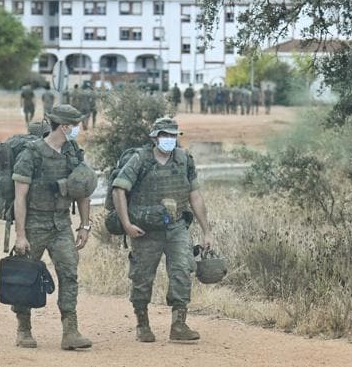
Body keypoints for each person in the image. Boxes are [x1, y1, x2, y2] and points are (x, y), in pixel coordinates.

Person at [111, 117, 214, 343]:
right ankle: (142, 323)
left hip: (176, 227)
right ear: (154, 137)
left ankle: (178, 325)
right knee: (142, 277)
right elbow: (118, 190)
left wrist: (206, 231)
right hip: (146, 230)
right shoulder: (140, 160)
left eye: (172, 135)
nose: (169, 139)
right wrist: (127, 224)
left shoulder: (184, 159)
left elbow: (194, 195)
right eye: (164, 135)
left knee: (182, 270)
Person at [11, 105, 93, 351]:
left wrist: (85, 225)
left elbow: (82, 190)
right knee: (24, 277)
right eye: (76, 124)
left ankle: (70, 330)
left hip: (61, 224)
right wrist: (20, 235)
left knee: (69, 273)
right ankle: (23, 329)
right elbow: (20, 198)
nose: (79, 128)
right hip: (34, 223)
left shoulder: (72, 152)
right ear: (65, 126)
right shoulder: (31, 154)